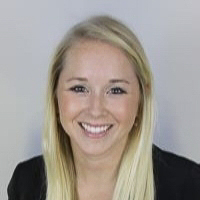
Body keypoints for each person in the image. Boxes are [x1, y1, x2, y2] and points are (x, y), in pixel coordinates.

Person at [7, 15, 200, 200]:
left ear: (141, 101)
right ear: (55, 96)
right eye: (79, 88)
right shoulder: (26, 184)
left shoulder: (189, 186)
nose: (96, 109)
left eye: (115, 90)